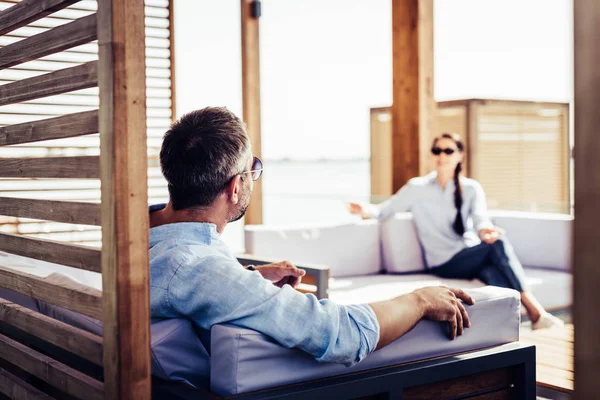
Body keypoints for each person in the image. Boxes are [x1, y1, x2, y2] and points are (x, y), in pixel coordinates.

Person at [149, 107, 475, 366]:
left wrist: (248, 278)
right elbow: (342, 335)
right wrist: (419, 300)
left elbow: (191, 286)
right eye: (254, 170)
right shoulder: (200, 270)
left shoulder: (134, 237)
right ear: (235, 188)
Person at [348, 133, 563, 330]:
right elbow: (387, 209)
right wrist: (364, 210)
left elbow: (480, 219)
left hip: (468, 255)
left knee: (493, 272)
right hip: (444, 262)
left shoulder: (471, 188)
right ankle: (536, 313)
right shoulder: (417, 188)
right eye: (437, 151)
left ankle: (510, 328)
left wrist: (485, 230)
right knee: (498, 245)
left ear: (460, 155)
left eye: (448, 150)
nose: (442, 155)